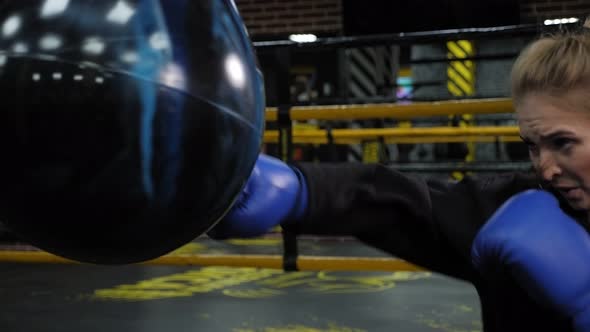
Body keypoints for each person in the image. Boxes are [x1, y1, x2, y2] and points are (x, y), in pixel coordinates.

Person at [208, 22, 590, 332]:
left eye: (562, 142)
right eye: (532, 145)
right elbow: (403, 204)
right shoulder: (520, 206)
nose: (545, 167)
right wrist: (302, 191)